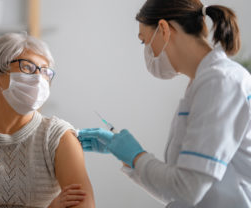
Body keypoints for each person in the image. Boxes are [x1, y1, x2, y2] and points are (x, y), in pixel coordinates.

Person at [78, 0, 251, 207]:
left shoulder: (220, 81)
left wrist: (136, 156)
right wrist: (127, 157)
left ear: (163, 29)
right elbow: (176, 192)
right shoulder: (202, 84)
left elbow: (188, 189)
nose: (146, 51)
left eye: (144, 41)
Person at [0, 33, 95, 208]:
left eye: (45, 71)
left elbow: (84, 204)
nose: (38, 78)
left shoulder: (59, 136)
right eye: (27, 67)